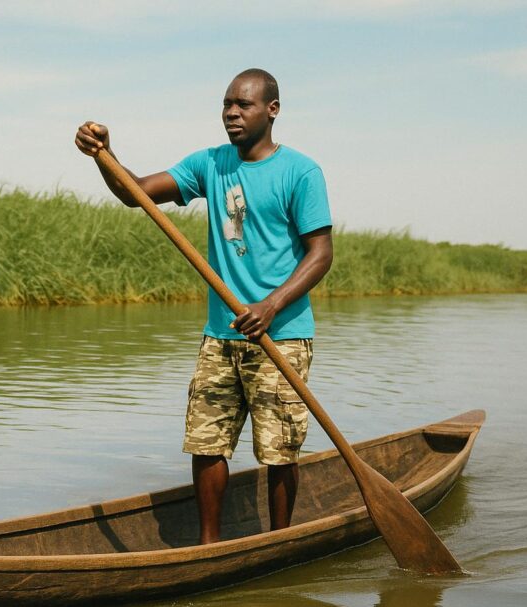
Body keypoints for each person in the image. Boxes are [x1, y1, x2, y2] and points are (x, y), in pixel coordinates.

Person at [75, 68, 333, 544]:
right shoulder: (209, 165)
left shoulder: (301, 172)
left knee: (279, 451)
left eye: (245, 105)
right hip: (222, 335)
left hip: (282, 333)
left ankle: (278, 544)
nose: (232, 113)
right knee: (206, 443)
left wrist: (271, 305)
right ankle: (209, 547)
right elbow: (137, 195)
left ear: (272, 110)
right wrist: (104, 155)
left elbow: (321, 254)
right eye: (226, 104)